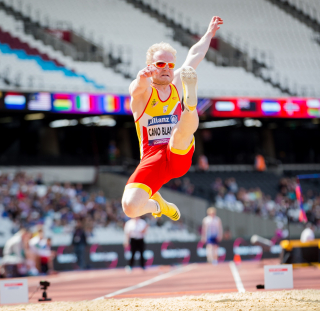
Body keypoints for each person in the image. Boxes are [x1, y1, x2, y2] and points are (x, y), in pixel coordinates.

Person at [122, 16, 223, 221]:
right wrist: (142, 77)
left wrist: (209, 33)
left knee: (178, 133)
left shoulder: (177, 80)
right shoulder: (142, 91)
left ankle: (191, 103)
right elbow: (136, 88)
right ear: (150, 66)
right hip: (152, 159)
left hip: (178, 151)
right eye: (161, 63)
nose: (167, 67)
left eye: (170, 64)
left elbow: (195, 53)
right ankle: (159, 205)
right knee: (130, 208)